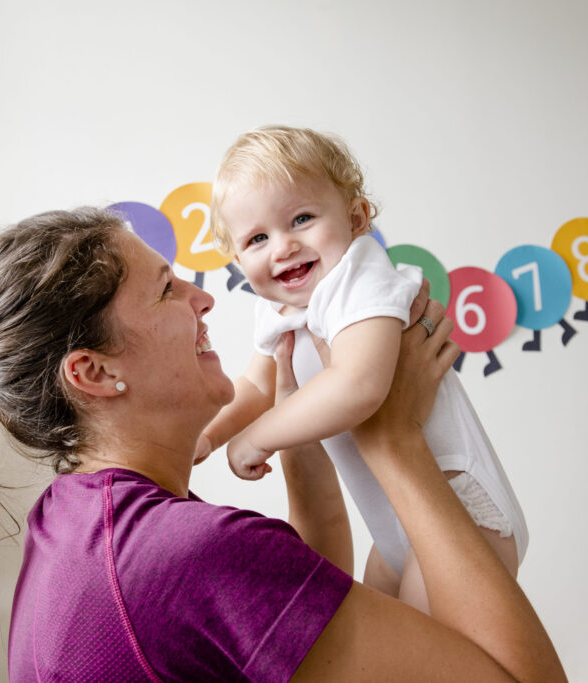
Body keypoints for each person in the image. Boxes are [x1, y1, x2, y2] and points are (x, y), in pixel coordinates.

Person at [0, 207, 565, 682]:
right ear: (95, 372)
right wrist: (394, 441)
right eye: (167, 289)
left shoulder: (76, 519)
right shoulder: (185, 555)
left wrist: (306, 417)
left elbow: (304, 602)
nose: (206, 300)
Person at [198, 125, 528, 610]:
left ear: (356, 218)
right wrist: (207, 438)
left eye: (302, 218)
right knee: (375, 637)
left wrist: (258, 437)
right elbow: (255, 385)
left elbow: (359, 386)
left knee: (429, 654)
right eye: (258, 238)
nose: (283, 246)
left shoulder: (359, 279)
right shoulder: (277, 309)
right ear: (237, 259)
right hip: (394, 525)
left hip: (458, 505)